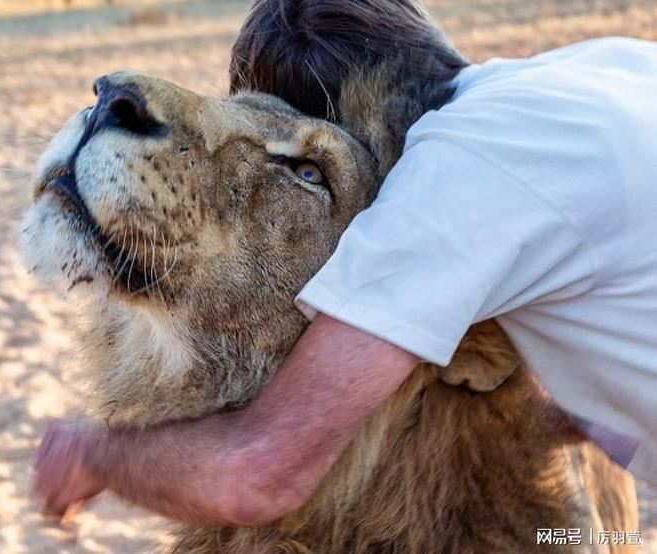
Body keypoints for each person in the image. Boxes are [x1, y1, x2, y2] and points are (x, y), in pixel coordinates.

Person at [35, 0, 657, 526]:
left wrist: (93, 457)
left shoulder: (447, 183)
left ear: (376, 139)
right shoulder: (599, 65)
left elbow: (256, 474)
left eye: (306, 169)